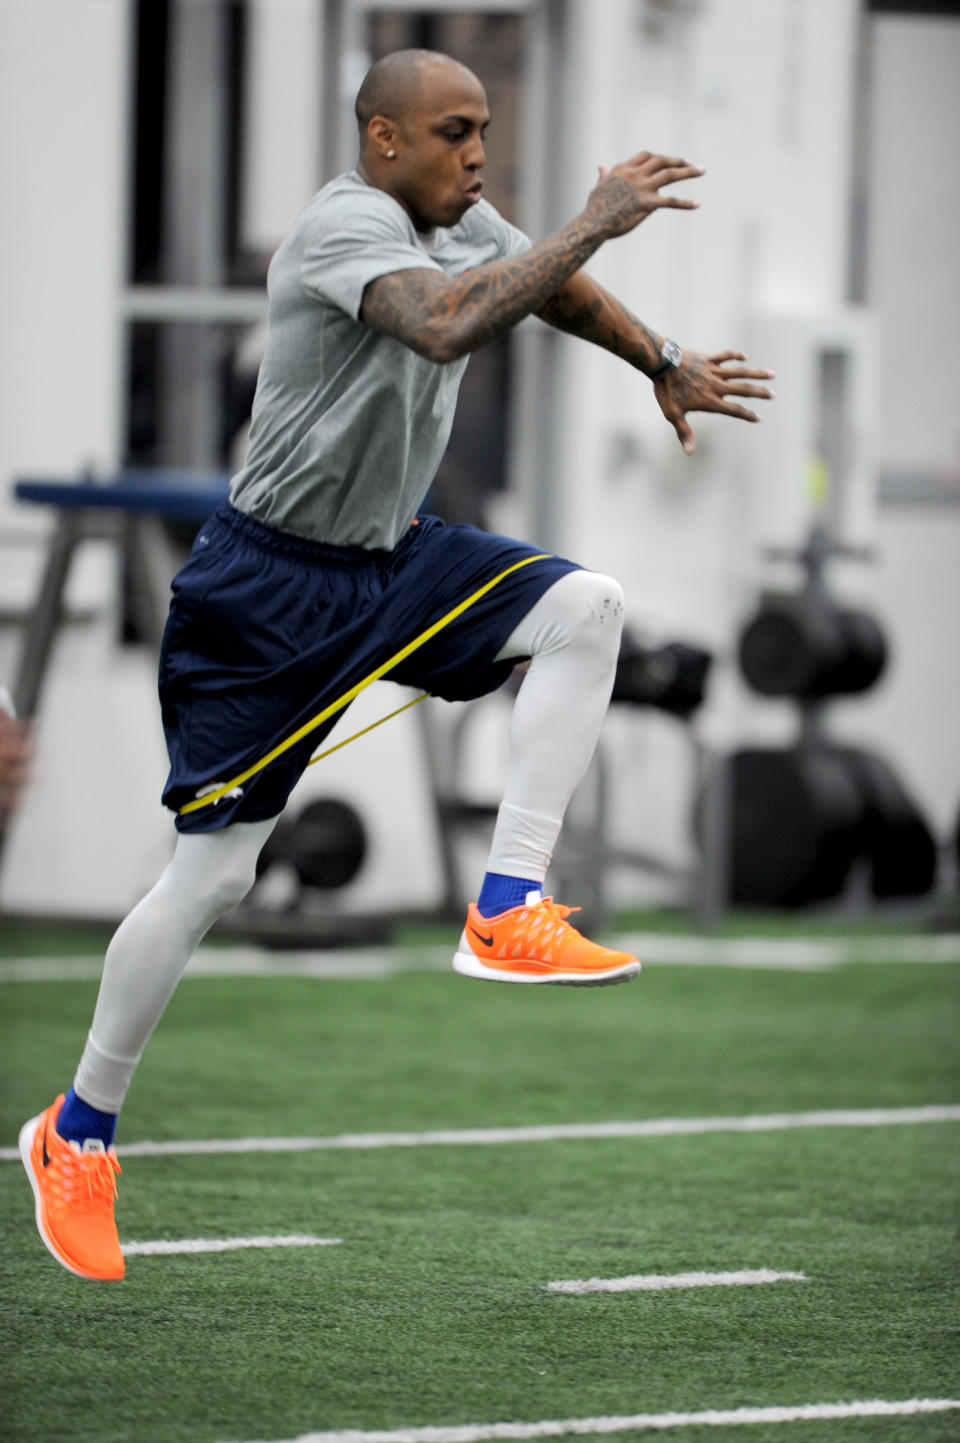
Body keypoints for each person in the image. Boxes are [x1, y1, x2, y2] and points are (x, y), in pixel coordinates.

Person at [19, 49, 773, 1281]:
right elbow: (446, 325)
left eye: (484, 132)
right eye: (455, 134)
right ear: (383, 140)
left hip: (393, 562)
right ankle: (80, 1128)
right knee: (211, 880)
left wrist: (662, 359)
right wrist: (591, 220)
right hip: (264, 590)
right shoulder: (343, 227)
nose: (479, 157)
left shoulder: (459, 216)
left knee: (586, 608)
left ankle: (506, 904)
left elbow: (551, 293)